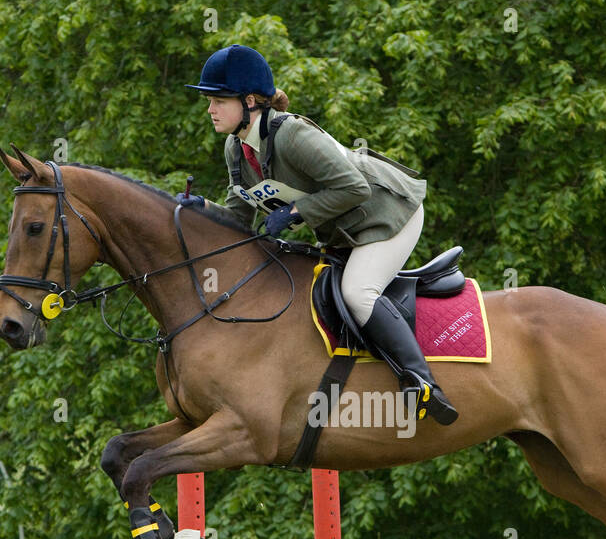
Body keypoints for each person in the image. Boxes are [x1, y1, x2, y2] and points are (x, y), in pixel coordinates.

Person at [180, 44, 457, 425]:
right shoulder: (236, 147)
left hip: (389, 213)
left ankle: (423, 384)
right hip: (344, 226)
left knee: (357, 293)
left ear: (249, 101)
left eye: (218, 100)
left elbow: (355, 188)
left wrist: (295, 213)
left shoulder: (292, 134)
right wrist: (202, 211)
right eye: (209, 101)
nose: (210, 109)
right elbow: (239, 217)